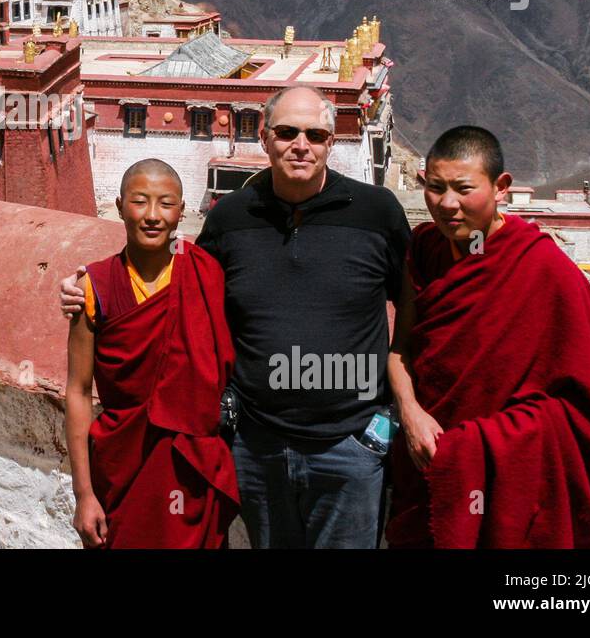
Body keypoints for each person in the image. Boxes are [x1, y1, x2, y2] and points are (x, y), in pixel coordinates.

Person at [63, 86, 411, 548]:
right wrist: (89, 282)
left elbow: (415, 306)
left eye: (315, 134)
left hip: (348, 445)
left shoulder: (377, 212)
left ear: (332, 141)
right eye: (287, 132)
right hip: (257, 446)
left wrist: (392, 414)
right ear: (264, 137)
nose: (300, 145)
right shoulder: (232, 217)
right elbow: (179, 278)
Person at [386, 126, 590, 548]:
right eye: (435, 187)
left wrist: (477, 445)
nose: (447, 204)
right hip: (424, 462)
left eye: (463, 188)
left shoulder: (544, 269)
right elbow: (401, 349)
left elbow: (586, 408)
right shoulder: (425, 248)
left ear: (501, 187)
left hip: (501, 476)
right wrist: (410, 412)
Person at [64, 158, 238, 548]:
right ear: (120, 204)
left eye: (166, 203)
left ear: (182, 211)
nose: (153, 216)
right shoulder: (95, 286)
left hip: (191, 464)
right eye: (140, 202)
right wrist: (84, 494)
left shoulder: (206, 273)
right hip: (123, 465)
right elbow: (77, 390)